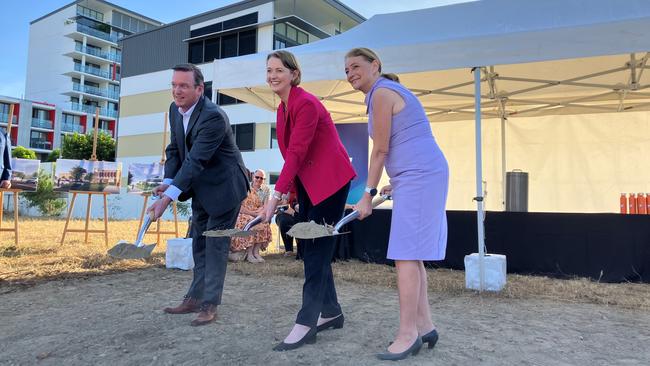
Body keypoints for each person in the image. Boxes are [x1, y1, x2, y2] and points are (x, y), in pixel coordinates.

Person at [344, 48, 449, 361]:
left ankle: (408, 334)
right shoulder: (387, 92)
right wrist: (398, 179)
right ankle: (425, 325)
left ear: (375, 65)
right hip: (418, 175)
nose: (350, 73)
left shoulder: (382, 92)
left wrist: (367, 195)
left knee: (404, 252)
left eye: (356, 66)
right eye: (346, 69)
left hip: (420, 175)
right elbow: (406, 141)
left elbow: (380, 150)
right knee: (412, 253)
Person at [260, 50, 356, 351]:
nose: (273, 75)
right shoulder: (282, 108)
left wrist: (274, 196)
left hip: (331, 182)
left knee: (315, 251)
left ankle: (306, 323)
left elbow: (299, 152)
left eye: (279, 70)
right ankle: (332, 312)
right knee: (311, 246)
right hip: (309, 185)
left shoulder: (307, 103)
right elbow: (291, 156)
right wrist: (291, 194)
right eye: (269, 70)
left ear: (293, 74)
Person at [148, 63, 249, 327]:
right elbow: (175, 149)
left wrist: (167, 198)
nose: (176, 91)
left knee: (215, 244)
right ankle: (195, 296)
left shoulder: (213, 116)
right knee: (198, 242)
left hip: (226, 188)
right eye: (173, 85)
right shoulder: (175, 109)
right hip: (201, 187)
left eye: (183, 85)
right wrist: (168, 180)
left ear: (199, 89)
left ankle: (209, 304)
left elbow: (194, 161)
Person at [229, 169, 272, 263]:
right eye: (257, 177)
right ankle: (249, 254)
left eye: (262, 178)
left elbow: (265, 207)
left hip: (258, 214)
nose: (259, 179)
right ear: (253, 176)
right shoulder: (245, 188)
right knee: (250, 222)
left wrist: (260, 213)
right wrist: (254, 213)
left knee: (264, 223)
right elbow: (240, 208)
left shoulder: (266, 190)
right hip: (244, 214)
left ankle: (256, 253)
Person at [274, 191, 301, 259]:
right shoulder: (284, 189)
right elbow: (279, 207)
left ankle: (301, 250)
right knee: (285, 221)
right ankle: (289, 249)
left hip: (299, 214)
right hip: (284, 213)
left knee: (299, 221)